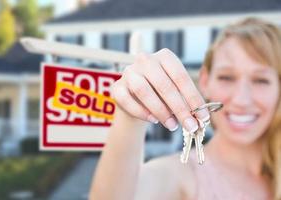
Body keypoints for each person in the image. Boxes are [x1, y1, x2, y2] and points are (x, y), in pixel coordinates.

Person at [89, 18, 281, 200]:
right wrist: (130, 117)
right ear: (205, 81)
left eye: (261, 80)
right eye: (227, 77)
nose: (241, 99)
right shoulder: (182, 174)